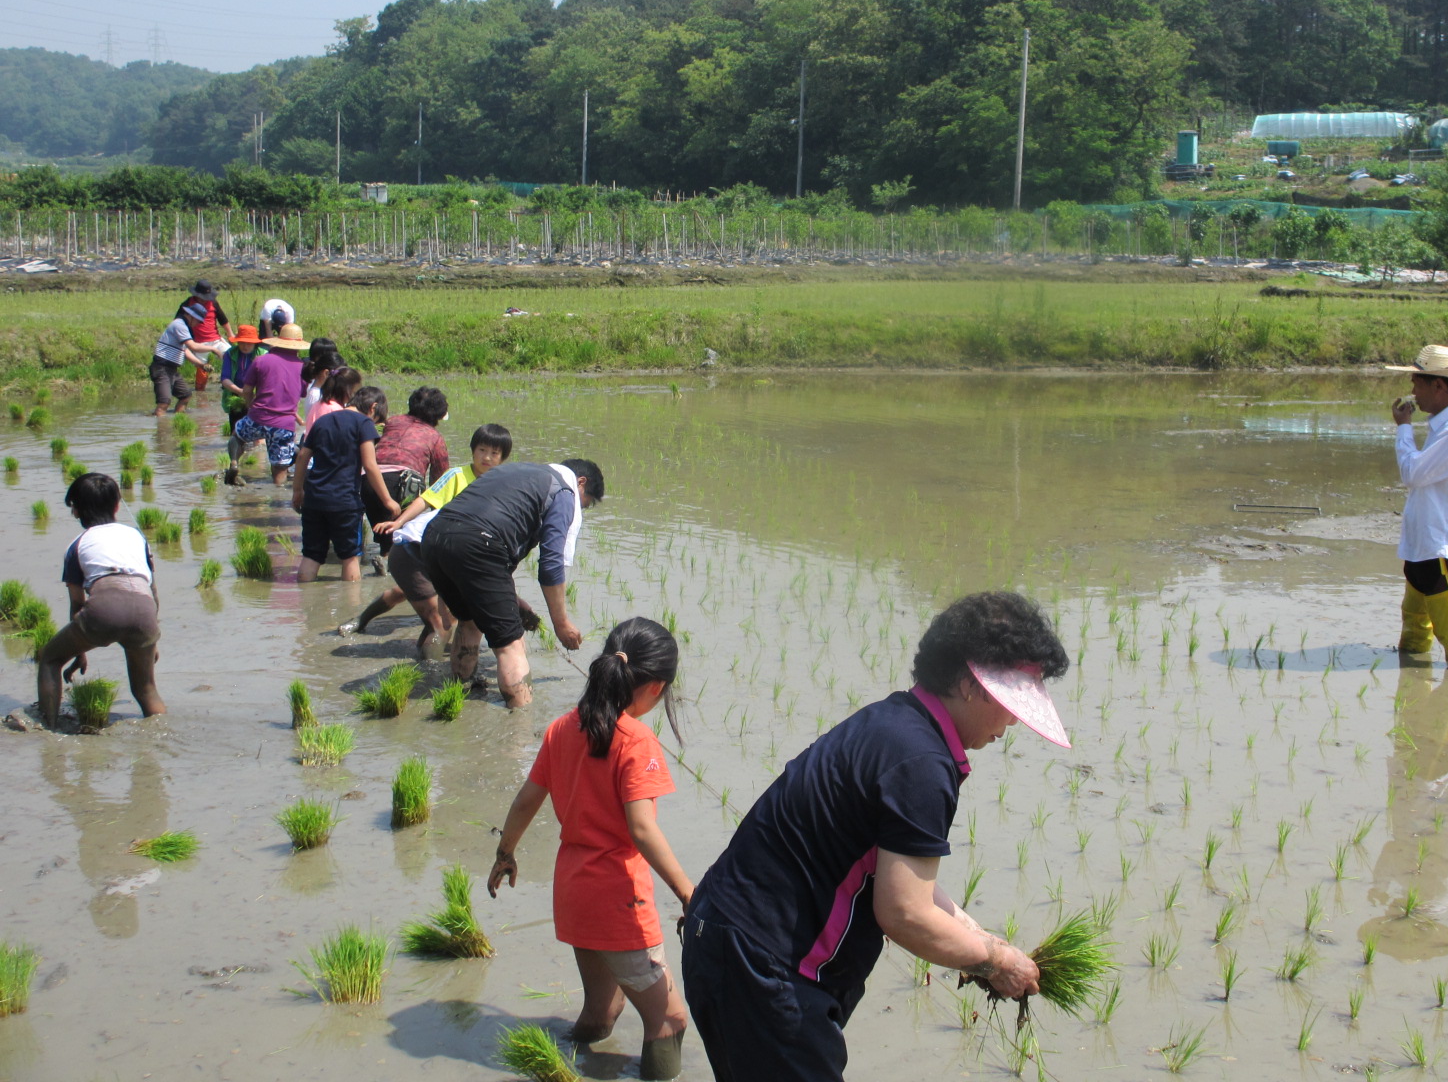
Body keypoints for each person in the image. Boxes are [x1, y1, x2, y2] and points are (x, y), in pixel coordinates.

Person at [681, 591, 1068, 1082]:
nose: (1013, 722)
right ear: (971, 685)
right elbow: (904, 913)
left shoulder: (894, 723)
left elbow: (898, 874)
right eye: (1010, 704)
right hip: (767, 971)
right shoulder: (922, 764)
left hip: (719, 934)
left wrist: (977, 937)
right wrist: (995, 962)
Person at [488, 617, 692, 1082]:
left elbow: (525, 801)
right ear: (656, 687)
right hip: (619, 899)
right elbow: (641, 829)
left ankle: (558, 1064)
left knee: (602, 1012)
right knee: (669, 1020)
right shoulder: (636, 740)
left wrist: (505, 854)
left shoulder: (564, 727)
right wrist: (688, 892)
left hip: (573, 892)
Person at [419, 458, 604, 708]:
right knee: (511, 645)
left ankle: (456, 691)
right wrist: (562, 625)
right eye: (586, 503)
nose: (580, 509)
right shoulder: (563, 491)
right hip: (479, 544)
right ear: (581, 483)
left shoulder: (518, 469)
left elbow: (487, 556)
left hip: (434, 537)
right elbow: (551, 564)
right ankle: (518, 730)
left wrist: (513, 601)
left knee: (470, 621)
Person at [345, 422, 513, 653]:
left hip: (457, 555)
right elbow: (426, 500)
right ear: (473, 450)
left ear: (502, 458)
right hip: (429, 547)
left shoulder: (500, 485)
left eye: (494, 453)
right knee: (424, 605)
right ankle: (363, 619)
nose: (487, 457)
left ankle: (422, 653)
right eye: (482, 450)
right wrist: (399, 522)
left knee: (426, 603)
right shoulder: (456, 476)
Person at [35, 473, 165, 730]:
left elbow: (76, 605)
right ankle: (161, 739)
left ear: (76, 510)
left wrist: (80, 650)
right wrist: (153, 639)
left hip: (105, 608)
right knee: (146, 689)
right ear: (117, 505)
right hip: (145, 611)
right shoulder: (137, 537)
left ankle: (48, 729)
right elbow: (152, 590)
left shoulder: (77, 545)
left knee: (49, 658)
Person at [1386, 344, 1448, 670]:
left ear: (1438, 386)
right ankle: (1413, 699)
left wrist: (1403, 429)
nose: (1412, 391)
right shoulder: (1445, 423)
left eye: (1417, 383)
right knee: (1414, 628)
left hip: (1442, 546)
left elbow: (1413, 474)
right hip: (1422, 543)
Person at [290, 367, 400, 582]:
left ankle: (307, 607)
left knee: (311, 555)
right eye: (378, 418)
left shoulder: (323, 420)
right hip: (344, 502)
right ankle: (350, 610)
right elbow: (370, 465)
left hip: (314, 499)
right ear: (373, 407)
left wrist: (297, 491)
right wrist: (388, 501)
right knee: (350, 557)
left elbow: (302, 455)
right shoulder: (364, 424)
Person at [365, 386, 451, 555]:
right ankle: (390, 572)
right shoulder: (435, 437)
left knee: (384, 534)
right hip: (402, 484)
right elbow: (439, 483)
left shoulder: (392, 422)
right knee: (400, 541)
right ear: (438, 416)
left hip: (369, 481)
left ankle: (381, 560)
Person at [228, 322, 309, 486]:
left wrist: (251, 407)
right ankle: (278, 499)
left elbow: (247, 390)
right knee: (280, 468)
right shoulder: (303, 368)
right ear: (298, 346)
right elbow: (301, 394)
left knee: (237, 437)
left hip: (257, 417)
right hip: (283, 425)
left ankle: (234, 463)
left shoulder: (260, 361)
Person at [148, 304, 207, 416]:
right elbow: (193, 347)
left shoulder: (184, 327)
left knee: (185, 395)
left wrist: (201, 365)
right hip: (162, 368)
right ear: (191, 316)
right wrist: (214, 349)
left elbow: (185, 351)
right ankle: (161, 429)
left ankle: (178, 420)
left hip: (172, 369)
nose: (198, 324)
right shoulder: (179, 325)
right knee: (164, 403)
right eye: (198, 321)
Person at [174, 279, 233, 387]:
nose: (205, 300)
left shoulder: (213, 303)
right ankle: (200, 392)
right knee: (202, 368)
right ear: (197, 295)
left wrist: (230, 334)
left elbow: (223, 319)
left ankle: (229, 384)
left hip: (216, 340)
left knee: (232, 357)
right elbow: (178, 322)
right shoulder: (188, 304)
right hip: (199, 343)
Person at [218, 325, 267, 434]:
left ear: (255, 343)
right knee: (236, 432)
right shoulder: (230, 354)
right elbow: (225, 378)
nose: (245, 346)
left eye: (249, 343)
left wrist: (253, 395)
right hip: (235, 395)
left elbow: (267, 381)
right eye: (242, 342)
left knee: (257, 433)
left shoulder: (264, 355)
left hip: (257, 397)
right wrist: (240, 392)